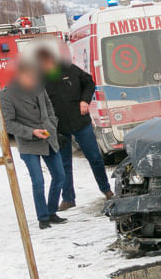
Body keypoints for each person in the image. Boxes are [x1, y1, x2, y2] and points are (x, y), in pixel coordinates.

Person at [36, 46, 112, 211]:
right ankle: (68, 198)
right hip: (59, 128)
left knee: (95, 158)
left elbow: (89, 83)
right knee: (64, 165)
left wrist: (85, 100)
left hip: (81, 123)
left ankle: (106, 190)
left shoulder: (69, 69)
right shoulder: (41, 80)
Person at [1, 59, 66, 230]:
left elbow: (49, 107)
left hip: (49, 137)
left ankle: (52, 212)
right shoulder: (7, 94)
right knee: (38, 181)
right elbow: (8, 123)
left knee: (60, 176)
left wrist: (52, 123)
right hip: (29, 144)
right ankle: (43, 217)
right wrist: (31, 132)